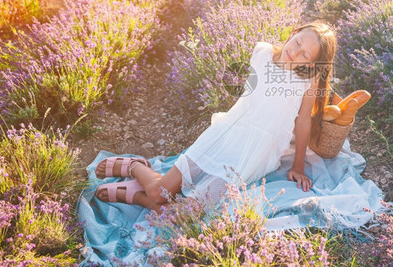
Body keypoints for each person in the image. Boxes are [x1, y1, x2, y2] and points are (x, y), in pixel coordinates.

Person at [93, 20, 338, 212]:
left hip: (252, 154)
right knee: (159, 193)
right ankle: (137, 167)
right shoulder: (262, 53)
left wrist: (298, 165)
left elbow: (303, 121)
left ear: (312, 64)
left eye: (306, 55)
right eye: (298, 43)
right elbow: (250, 100)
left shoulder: (306, 80)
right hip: (225, 134)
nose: (295, 53)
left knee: (183, 215)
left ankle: (139, 197)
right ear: (294, 32)